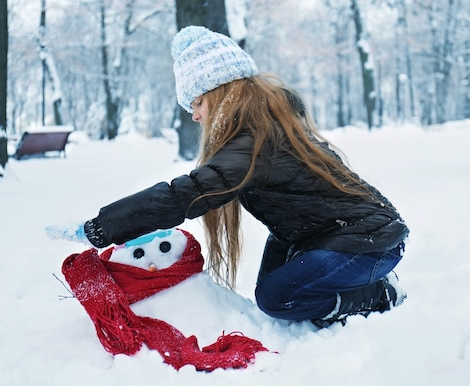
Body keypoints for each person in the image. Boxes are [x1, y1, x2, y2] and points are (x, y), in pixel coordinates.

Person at [48, 26, 409, 328]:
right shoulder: (264, 130)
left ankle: (379, 294)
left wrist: (102, 227)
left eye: (197, 104)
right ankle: (351, 283)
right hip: (321, 235)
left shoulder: (255, 144)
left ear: (220, 97)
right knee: (273, 291)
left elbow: (183, 195)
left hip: (368, 241)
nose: (194, 116)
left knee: (279, 299)